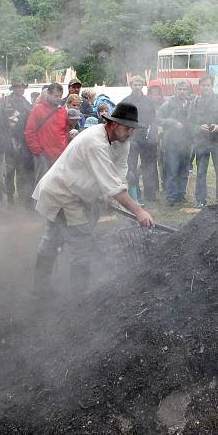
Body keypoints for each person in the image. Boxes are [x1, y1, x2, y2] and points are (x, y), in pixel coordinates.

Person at [32, 103, 154, 294]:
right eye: (127, 128)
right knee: (77, 244)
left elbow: (120, 171)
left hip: (80, 194)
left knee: (55, 239)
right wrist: (138, 211)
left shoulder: (123, 142)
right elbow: (113, 185)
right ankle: (77, 297)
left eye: (132, 129)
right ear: (113, 124)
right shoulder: (94, 141)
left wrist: (109, 196)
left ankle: (41, 288)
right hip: (62, 193)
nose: (130, 133)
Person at [189, 75, 218, 206]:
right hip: (201, 143)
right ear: (199, 87)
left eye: (208, 85)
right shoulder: (194, 102)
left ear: (212, 86)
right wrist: (198, 127)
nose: (206, 87)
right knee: (201, 173)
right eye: (203, 85)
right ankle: (201, 200)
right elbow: (188, 123)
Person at [121, 76, 158, 202]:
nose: (137, 87)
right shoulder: (125, 101)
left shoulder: (149, 101)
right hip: (132, 138)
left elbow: (154, 119)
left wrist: (153, 134)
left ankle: (150, 194)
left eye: (139, 84)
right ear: (130, 86)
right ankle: (135, 193)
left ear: (143, 86)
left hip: (147, 138)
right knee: (131, 167)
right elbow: (121, 120)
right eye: (134, 85)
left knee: (149, 166)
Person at [156, 80, 194, 205]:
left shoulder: (191, 104)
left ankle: (181, 195)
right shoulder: (168, 104)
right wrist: (172, 122)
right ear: (175, 90)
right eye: (179, 89)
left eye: (184, 89)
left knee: (184, 171)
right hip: (171, 143)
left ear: (188, 90)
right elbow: (157, 118)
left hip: (187, 143)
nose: (182, 92)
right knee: (172, 171)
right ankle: (171, 197)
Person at [25, 82, 69, 183]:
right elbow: (29, 132)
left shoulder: (62, 111)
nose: (58, 98)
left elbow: (65, 131)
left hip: (59, 154)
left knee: (58, 182)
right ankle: (39, 199)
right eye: (55, 96)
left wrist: (64, 147)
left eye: (60, 96)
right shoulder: (38, 109)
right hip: (43, 155)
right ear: (48, 94)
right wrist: (37, 151)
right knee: (42, 183)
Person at [3, 80, 35, 207]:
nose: (21, 89)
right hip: (11, 140)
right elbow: (9, 121)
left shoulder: (25, 101)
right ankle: (10, 197)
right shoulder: (7, 101)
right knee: (10, 171)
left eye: (22, 87)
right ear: (13, 88)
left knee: (22, 171)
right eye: (18, 87)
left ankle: (23, 197)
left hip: (23, 139)